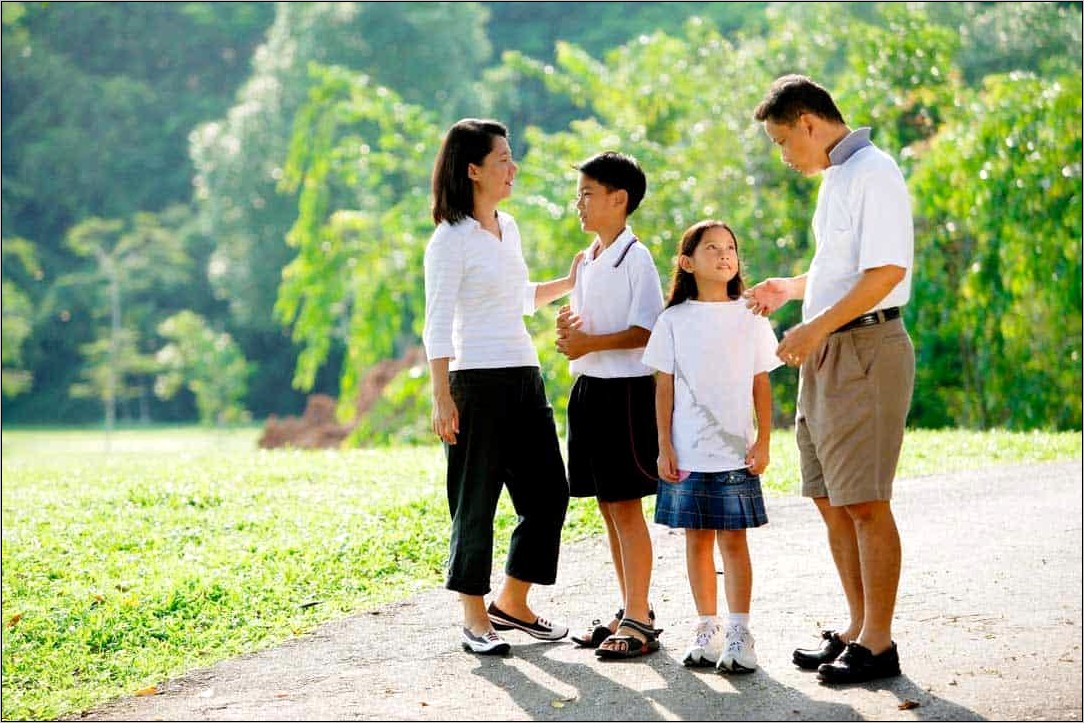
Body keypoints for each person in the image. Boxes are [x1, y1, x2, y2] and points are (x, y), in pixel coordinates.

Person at [745, 74, 915, 684]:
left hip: (865, 348)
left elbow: (886, 271)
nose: (784, 156)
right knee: (828, 495)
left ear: (810, 124)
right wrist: (791, 290)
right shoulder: (839, 178)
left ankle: (879, 642)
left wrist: (812, 327)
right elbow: (841, 267)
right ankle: (855, 626)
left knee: (866, 500)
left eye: (783, 141)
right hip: (829, 350)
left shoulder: (875, 172)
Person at [423, 118, 581, 655]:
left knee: (548, 495)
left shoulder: (507, 228)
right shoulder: (449, 240)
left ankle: (513, 603)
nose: (513, 169)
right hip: (474, 381)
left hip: (522, 374)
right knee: (475, 501)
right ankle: (473, 617)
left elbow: (519, 298)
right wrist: (441, 394)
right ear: (473, 170)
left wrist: (571, 280)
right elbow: (437, 320)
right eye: (503, 161)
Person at [642, 220, 782, 674]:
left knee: (734, 540)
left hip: (735, 452)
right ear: (687, 262)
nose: (725, 255)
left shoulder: (751, 315)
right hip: (686, 453)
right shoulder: (673, 320)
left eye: (731, 248)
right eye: (712, 248)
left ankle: (740, 632)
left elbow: (761, 383)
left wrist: (764, 439)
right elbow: (663, 388)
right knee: (696, 540)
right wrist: (664, 445)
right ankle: (708, 627)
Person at [554, 151, 665, 660]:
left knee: (625, 506)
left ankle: (640, 619)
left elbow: (647, 330)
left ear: (619, 200)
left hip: (625, 393)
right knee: (606, 506)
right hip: (590, 391)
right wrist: (570, 335)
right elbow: (584, 328)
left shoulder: (634, 257)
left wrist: (589, 345)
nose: (579, 203)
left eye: (587, 193)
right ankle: (629, 607)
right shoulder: (589, 259)